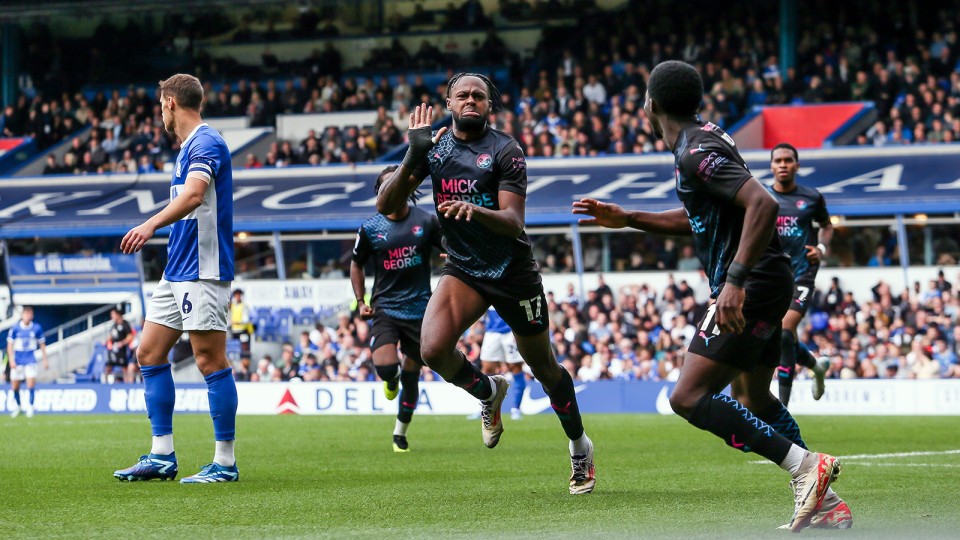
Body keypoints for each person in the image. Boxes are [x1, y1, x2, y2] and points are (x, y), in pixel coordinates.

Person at [572, 61, 848, 529]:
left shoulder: (694, 150)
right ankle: (823, 499)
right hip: (769, 278)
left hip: (754, 281)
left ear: (649, 105)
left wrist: (736, 281)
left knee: (688, 396)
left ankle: (805, 468)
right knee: (753, 396)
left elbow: (761, 202)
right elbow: (701, 219)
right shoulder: (704, 141)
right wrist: (630, 217)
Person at [377, 73, 596, 494]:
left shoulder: (506, 150)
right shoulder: (433, 147)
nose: (471, 100)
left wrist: (473, 212)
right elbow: (386, 205)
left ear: (490, 105)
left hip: (513, 273)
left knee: (543, 368)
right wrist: (411, 156)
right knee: (432, 350)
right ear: (449, 102)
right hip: (465, 269)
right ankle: (488, 390)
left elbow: (514, 223)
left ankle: (580, 446)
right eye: (463, 95)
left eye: (479, 95)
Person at [114, 73, 239, 484]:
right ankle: (162, 455)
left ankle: (225, 462)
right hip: (176, 271)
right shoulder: (188, 147)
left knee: (209, 360)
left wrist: (148, 226)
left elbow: (194, 195)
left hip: (203, 270)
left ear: (169, 102)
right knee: (148, 353)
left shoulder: (205, 141)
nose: (160, 114)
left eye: (159, 106)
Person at [351, 165, 442, 452]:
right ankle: (391, 378)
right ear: (379, 194)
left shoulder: (427, 221)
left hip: (420, 310)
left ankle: (400, 432)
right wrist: (361, 300)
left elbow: (449, 246)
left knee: (412, 379)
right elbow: (356, 263)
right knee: (388, 368)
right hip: (385, 308)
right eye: (386, 186)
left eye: (398, 184)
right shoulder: (370, 228)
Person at [764, 143, 833, 405]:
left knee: (783, 330)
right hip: (772, 275)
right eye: (778, 160)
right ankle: (815, 366)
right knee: (780, 336)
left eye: (788, 160)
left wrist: (822, 248)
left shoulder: (812, 197)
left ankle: (782, 409)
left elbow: (826, 226)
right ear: (771, 166)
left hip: (802, 274)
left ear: (797, 165)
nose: (783, 164)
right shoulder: (761, 196)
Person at [474, 307, 527, 420]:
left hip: (511, 331)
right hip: (491, 331)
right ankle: (486, 408)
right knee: (487, 369)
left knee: (515, 368)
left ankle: (516, 408)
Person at [7, 306, 48, 418]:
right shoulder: (15, 328)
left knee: (30, 384)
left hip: (30, 360)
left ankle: (30, 406)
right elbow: (10, 345)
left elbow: (42, 344)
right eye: (25, 314)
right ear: (22, 315)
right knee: (15, 387)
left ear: (32, 316)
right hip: (18, 360)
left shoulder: (36, 328)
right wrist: (11, 360)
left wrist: (45, 360)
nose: (27, 316)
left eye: (29, 314)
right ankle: (19, 406)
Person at [105, 307, 136, 384]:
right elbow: (111, 336)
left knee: (124, 368)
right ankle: (105, 384)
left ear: (118, 314)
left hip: (122, 351)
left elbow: (130, 336)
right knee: (108, 367)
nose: (112, 317)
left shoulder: (125, 324)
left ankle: (127, 385)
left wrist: (122, 343)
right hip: (113, 351)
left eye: (113, 314)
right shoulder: (114, 326)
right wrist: (107, 342)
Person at [229, 289, 254, 355]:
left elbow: (246, 320)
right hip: (234, 331)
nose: (237, 297)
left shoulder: (244, 306)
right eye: (236, 295)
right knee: (234, 349)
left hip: (243, 330)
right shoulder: (232, 306)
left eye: (239, 295)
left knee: (244, 348)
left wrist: (237, 322)